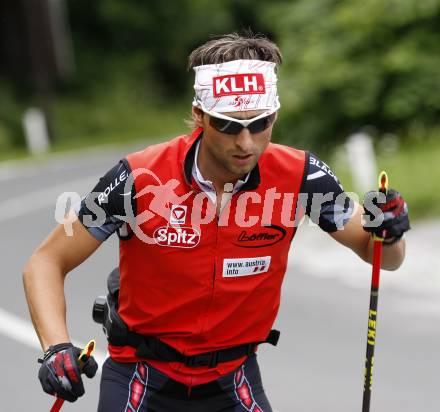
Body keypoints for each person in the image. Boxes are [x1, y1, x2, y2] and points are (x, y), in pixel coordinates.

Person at [23, 32, 410, 411]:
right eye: (228, 125)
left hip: (233, 377)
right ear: (199, 115)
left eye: (260, 123)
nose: (246, 142)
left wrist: (389, 231)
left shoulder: (303, 176)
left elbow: (382, 257)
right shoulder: (139, 177)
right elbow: (46, 262)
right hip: (141, 373)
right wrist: (56, 348)